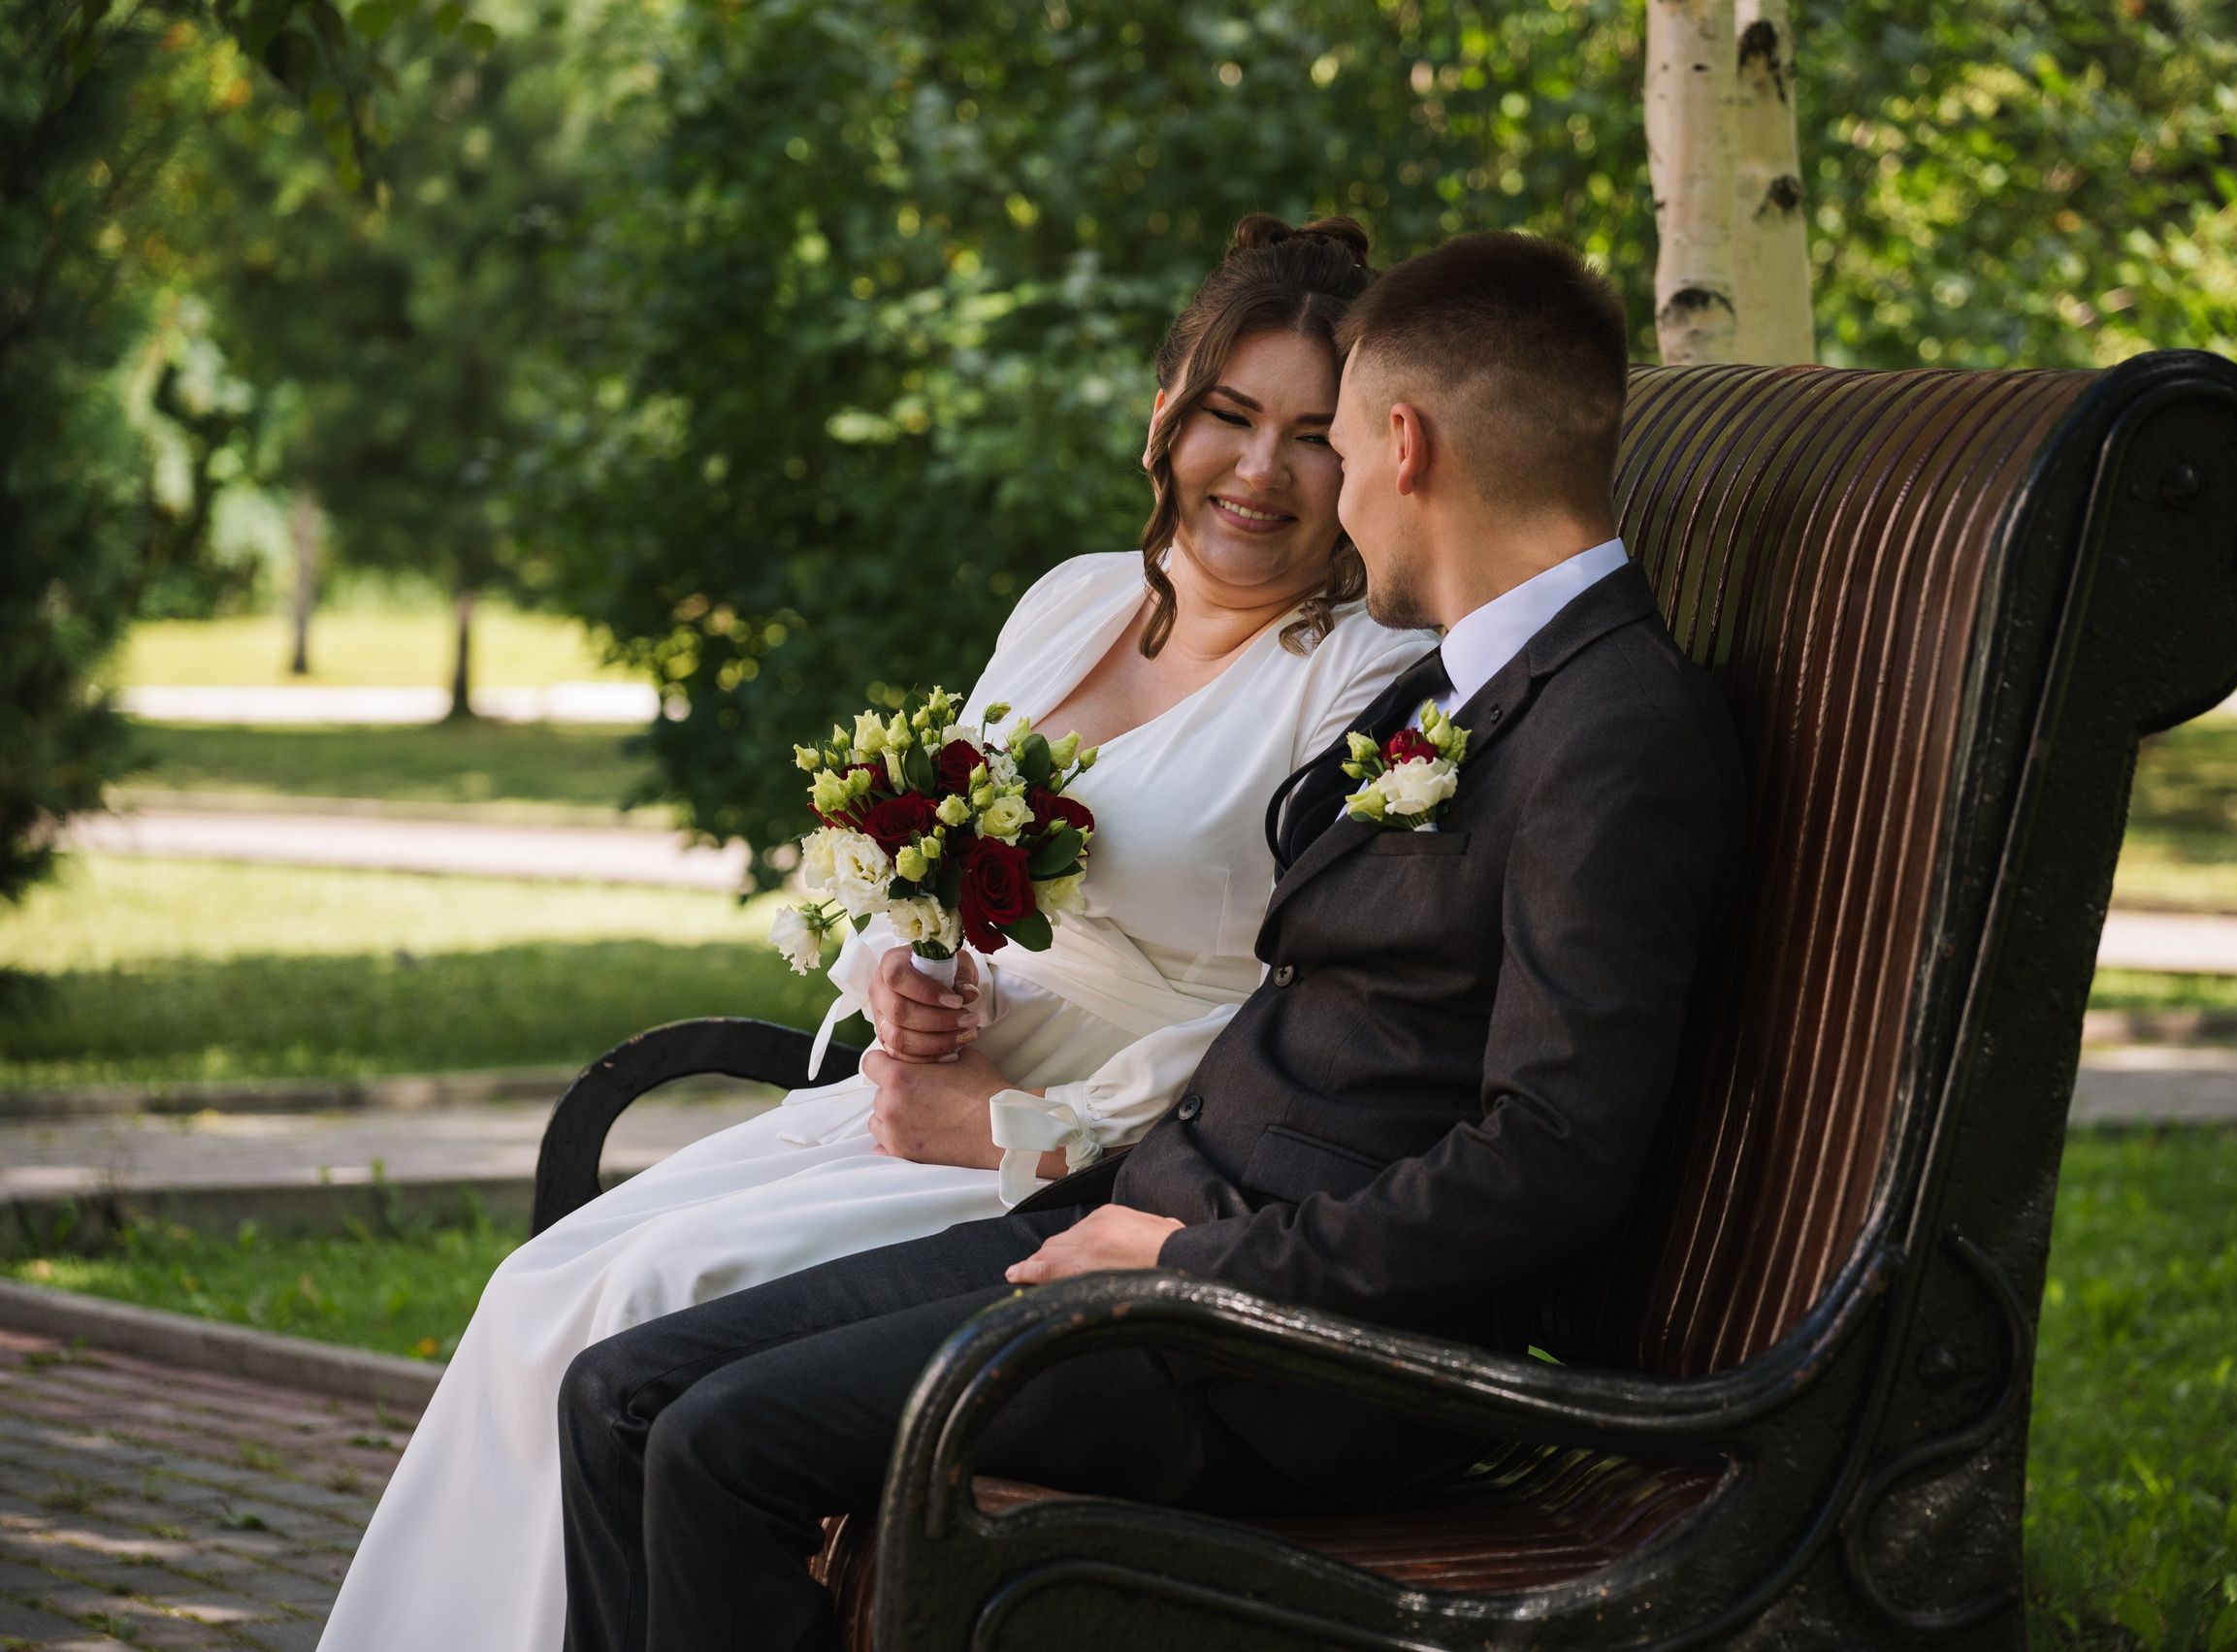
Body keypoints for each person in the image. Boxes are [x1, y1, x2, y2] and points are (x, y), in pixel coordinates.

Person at [553, 230, 1748, 1652]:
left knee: (714, 1447)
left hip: (1289, 1355)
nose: (1333, 494)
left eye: (1341, 445)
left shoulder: (1613, 728)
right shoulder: (1498, 678)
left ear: (1406, 445)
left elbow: (1552, 1156)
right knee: (619, 1394)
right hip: (1156, 1226)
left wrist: (1193, 1266)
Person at [315, 213, 1434, 1652]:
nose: (1260, 470)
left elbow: (1299, 1019)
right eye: (1229, 414)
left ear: (1366, 458)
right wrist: (907, 974)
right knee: (549, 1284)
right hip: (907, 1103)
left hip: (1088, 1154)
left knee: (651, 1296)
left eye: (1310, 435)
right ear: (1166, 409)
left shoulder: (1360, 684)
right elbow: (922, 866)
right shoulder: (1078, 602)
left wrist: (1021, 1125)